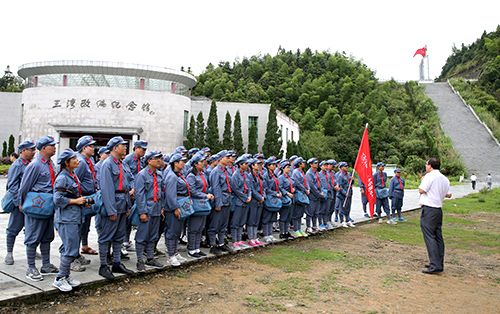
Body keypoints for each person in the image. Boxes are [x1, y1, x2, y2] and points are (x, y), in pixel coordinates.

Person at [18, 135, 59, 281]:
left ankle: (46, 265)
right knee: (33, 236)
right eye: (52, 145)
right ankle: (31, 267)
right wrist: (21, 204)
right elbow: (24, 186)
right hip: (37, 205)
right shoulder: (35, 165)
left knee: (47, 236)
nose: (54, 148)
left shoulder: (50, 164)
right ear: (43, 148)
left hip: (49, 204)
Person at [97, 136, 134, 280]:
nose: (125, 148)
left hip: (123, 203)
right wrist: (111, 209)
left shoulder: (122, 164)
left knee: (119, 236)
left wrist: (128, 206)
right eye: (122, 145)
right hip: (113, 204)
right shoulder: (107, 164)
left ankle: (117, 262)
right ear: (114, 148)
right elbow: (106, 189)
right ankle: (103, 265)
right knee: (106, 236)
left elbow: (128, 181)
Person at [52, 149, 87, 291]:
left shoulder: (72, 175)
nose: (77, 160)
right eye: (74, 159)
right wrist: (76, 201)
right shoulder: (62, 178)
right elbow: (57, 199)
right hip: (66, 219)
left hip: (74, 217)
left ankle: (65, 275)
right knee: (71, 249)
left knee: (68, 247)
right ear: (67, 163)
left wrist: (82, 201)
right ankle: (59, 278)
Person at [4, 140, 36, 265]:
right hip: (20, 203)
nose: (34, 152)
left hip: (30, 202)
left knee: (31, 228)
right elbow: (12, 186)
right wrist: (19, 203)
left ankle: (32, 250)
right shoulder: (17, 165)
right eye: (31, 150)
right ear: (23, 151)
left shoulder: (30, 164)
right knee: (13, 227)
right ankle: (9, 253)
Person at [419, 158, 452, 274]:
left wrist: (422, 181)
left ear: (430, 166)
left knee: (429, 236)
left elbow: (422, 190)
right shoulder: (444, 178)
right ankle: (438, 262)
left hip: (429, 209)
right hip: (438, 209)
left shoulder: (429, 176)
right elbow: (449, 194)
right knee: (438, 237)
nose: (425, 166)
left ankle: (434, 265)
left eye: (426, 164)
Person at [74, 135, 97, 271]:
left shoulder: (89, 161)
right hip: (82, 200)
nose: (93, 148)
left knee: (84, 227)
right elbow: (76, 182)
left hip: (88, 199)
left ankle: (79, 251)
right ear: (84, 148)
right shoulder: (81, 162)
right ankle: (72, 256)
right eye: (91, 146)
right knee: (77, 228)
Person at [163, 153, 190, 266]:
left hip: (180, 204)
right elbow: (170, 194)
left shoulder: (178, 174)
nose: (184, 163)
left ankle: (175, 251)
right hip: (173, 207)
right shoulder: (171, 176)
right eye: (182, 161)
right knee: (172, 231)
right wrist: (175, 208)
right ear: (175, 163)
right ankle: (171, 255)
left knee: (177, 230)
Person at [186, 153, 214, 257]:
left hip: (203, 203)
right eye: (201, 162)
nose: (204, 163)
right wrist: (205, 195)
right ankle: (191, 249)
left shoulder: (202, 174)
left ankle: (197, 248)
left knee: (200, 227)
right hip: (196, 203)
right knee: (194, 227)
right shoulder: (191, 176)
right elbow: (192, 191)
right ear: (195, 164)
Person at [122, 140, 147, 253]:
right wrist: (132, 189)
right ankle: (124, 241)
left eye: (145, 149)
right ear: (136, 148)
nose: (144, 151)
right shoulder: (127, 160)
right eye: (142, 149)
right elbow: (127, 176)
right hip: (130, 192)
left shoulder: (141, 161)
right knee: (126, 218)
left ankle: (127, 241)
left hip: (138, 192)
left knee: (132, 217)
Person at [208, 150, 233, 256]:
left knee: (223, 224)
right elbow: (216, 188)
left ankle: (221, 243)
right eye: (227, 158)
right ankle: (213, 245)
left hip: (227, 199)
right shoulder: (215, 171)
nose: (229, 160)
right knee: (215, 224)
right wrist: (218, 203)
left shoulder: (226, 170)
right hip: (220, 199)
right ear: (220, 159)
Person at [230, 156, 252, 250]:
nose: (247, 166)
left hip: (246, 201)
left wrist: (249, 196)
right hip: (238, 201)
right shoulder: (235, 175)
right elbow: (235, 189)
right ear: (240, 165)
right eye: (245, 164)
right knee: (235, 221)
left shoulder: (246, 174)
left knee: (241, 222)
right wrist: (244, 197)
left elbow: (249, 187)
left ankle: (239, 240)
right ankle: (234, 241)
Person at [262, 158, 281, 243]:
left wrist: (279, 192)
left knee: (272, 217)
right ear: (268, 166)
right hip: (269, 198)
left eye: (275, 164)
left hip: (275, 198)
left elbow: (277, 185)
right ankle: (266, 235)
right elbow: (266, 188)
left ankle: (270, 234)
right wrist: (275, 193)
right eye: (272, 164)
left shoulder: (274, 175)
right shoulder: (265, 175)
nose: (274, 166)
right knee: (267, 217)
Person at [247, 158, 265, 247]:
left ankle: (255, 237)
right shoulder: (249, 176)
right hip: (254, 200)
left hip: (260, 200)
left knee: (257, 220)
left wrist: (263, 196)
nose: (259, 166)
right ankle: (251, 238)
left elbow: (263, 187)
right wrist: (259, 197)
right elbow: (251, 189)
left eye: (260, 164)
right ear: (252, 166)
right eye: (257, 164)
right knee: (252, 219)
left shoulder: (259, 175)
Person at [291, 157, 308, 238]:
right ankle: (296, 229)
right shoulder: (295, 172)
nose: (304, 164)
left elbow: (305, 181)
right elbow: (297, 183)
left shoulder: (302, 172)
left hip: (303, 194)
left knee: (301, 213)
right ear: (299, 164)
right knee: (296, 213)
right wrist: (305, 190)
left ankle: (299, 228)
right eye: (302, 162)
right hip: (298, 194)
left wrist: (307, 189)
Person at [305, 158, 323, 234]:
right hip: (312, 196)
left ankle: (314, 226)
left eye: (317, 163)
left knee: (316, 212)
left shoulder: (316, 172)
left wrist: (321, 191)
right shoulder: (309, 173)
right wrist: (319, 194)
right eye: (315, 163)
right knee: (310, 212)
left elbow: (320, 183)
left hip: (318, 195)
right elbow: (311, 186)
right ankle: (308, 227)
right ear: (311, 164)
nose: (317, 164)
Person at [278, 160, 295, 239]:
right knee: (283, 216)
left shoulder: (289, 177)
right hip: (285, 199)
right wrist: (287, 193)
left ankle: (286, 231)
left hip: (291, 198)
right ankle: (282, 232)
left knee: (289, 216)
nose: (289, 169)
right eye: (287, 167)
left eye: (289, 167)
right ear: (283, 168)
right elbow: (280, 187)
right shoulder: (281, 177)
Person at [335, 162, 354, 228]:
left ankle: (348, 220)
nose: (347, 167)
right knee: (342, 208)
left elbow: (351, 184)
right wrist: (344, 193)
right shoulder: (340, 176)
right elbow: (339, 186)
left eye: (347, 166)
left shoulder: (349, 174)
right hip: (342, 194)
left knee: (348, 207)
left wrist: (352, 180)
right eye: (345, 166)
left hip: (349, 193)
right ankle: (342, 221)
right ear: (341, 167)